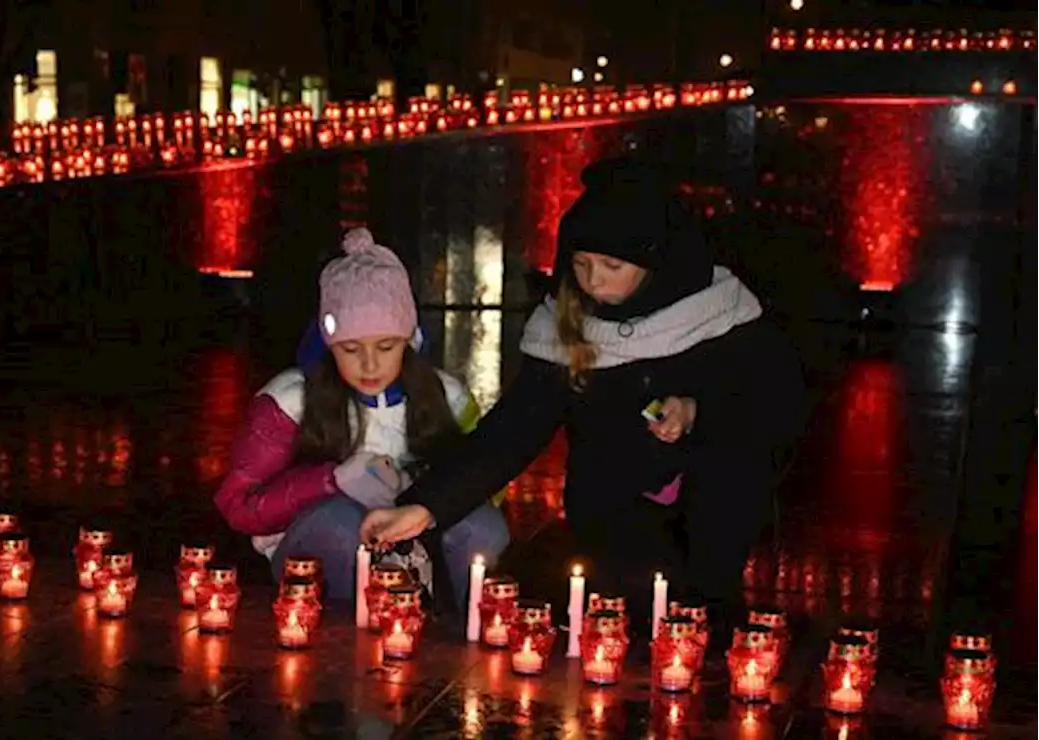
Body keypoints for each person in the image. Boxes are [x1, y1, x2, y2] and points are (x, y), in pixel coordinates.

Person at [360, 159, 805, 628]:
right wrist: (426, 506)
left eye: (612, 266)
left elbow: (777, 407)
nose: (593, 281)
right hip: (611, 516)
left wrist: (697, 412)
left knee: (697, 621)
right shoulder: (565, 323)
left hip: (712, 513)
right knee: (608, 624)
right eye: (581, 264)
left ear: (655, 260)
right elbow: (511, 433)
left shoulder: (719, 313)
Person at [214, 227, 510, 609]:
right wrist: (329, 481)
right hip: (320, 547)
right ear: (328, 342)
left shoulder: (447, 396)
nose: (369, 365)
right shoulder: (290, 400)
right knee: (340, 524)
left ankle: (452, 633)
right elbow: (237, 505)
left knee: (483, 527)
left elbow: (491, 483)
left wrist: (422, 488)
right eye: (351, 349)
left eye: (386, 347)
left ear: (410, 340)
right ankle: (339, 642)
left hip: (417, 546)